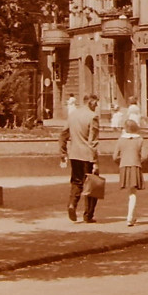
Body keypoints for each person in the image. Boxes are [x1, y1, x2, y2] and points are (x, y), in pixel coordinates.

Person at [59, 94, 100, 223]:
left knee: (76, 181)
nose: (96, 106)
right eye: (95, 103)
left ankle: (72, 204)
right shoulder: (93, 117)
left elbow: (63, 134)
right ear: (91, 102)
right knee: (93, 184)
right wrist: (95, 161)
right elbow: (92, 141)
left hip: (74, 154)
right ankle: (88, 215)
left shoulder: (73, 115)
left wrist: (63, 152)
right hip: (87, 156)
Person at [113, 119, 147, 226]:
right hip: (135, 165)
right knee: (133, 193)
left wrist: (122, 160)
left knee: (130, 192)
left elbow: (114, 156)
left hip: (124, 166)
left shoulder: (121, 140)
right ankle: (130, 216)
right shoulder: (140, 140)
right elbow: (145, 156)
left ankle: (132, 216)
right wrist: (138, 160)